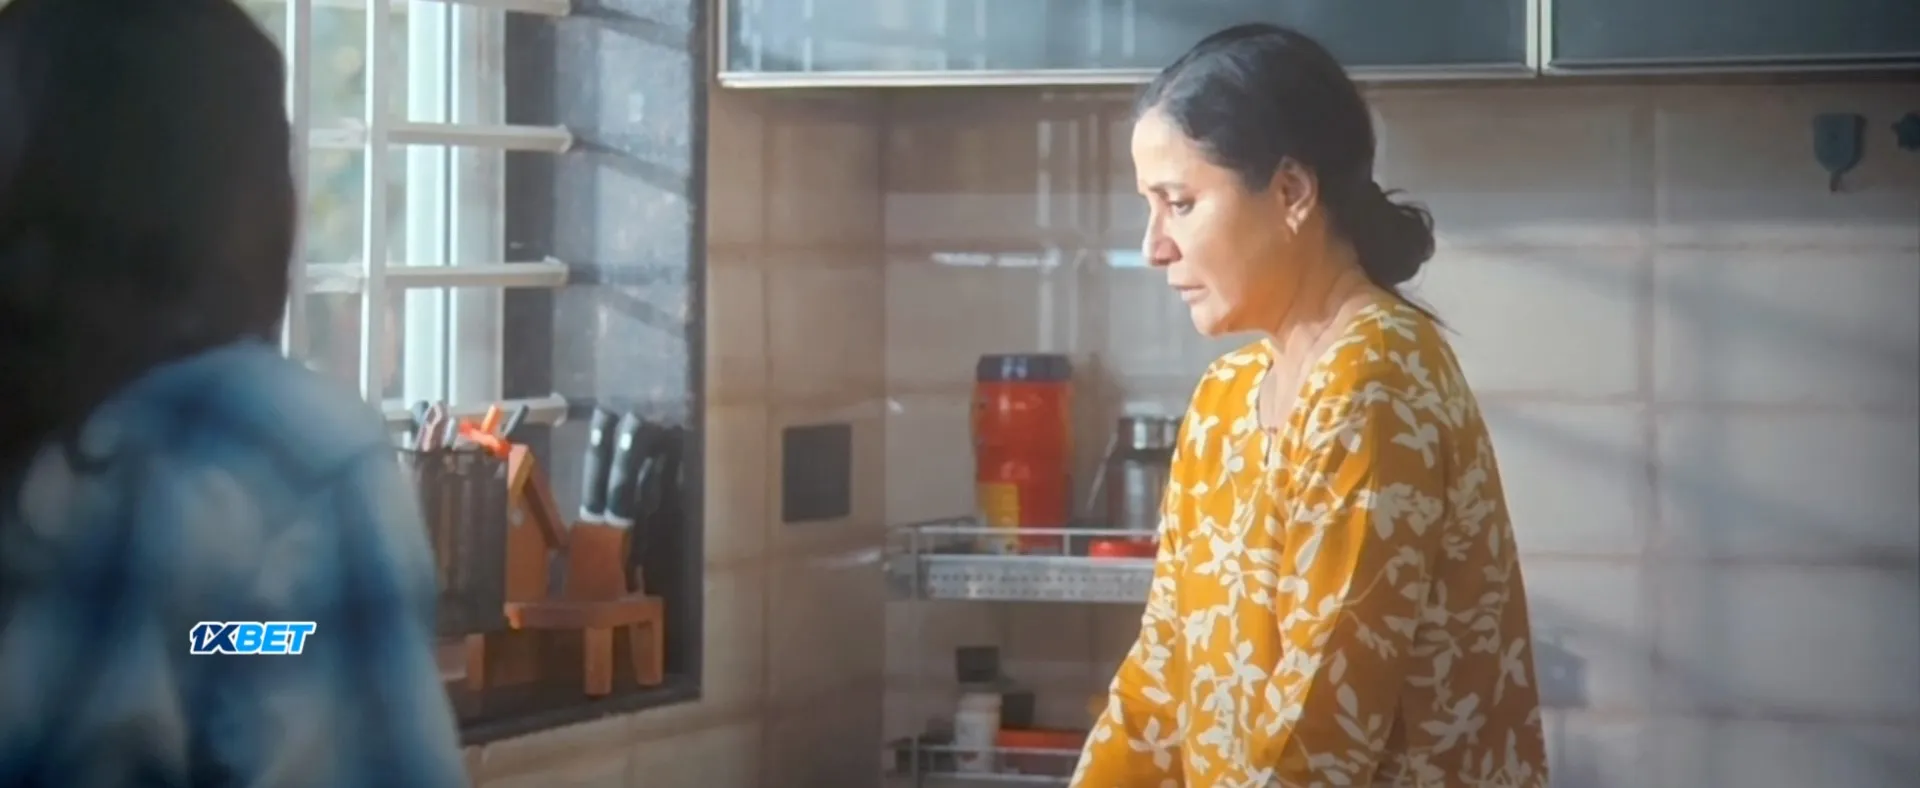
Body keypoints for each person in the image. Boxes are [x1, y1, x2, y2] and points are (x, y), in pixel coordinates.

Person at [0, 0, 467, 785]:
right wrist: (238, 634)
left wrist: (229, 636)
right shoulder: (282, 458)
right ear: (242, 197)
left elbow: (229, 640)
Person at [1071, 23, 1548, 787]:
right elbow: (1159, 681)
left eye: (1180, 203)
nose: (1154, 246)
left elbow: (1321, 733)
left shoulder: (1376, 377)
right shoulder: (1225, 398)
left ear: (1291, 192)